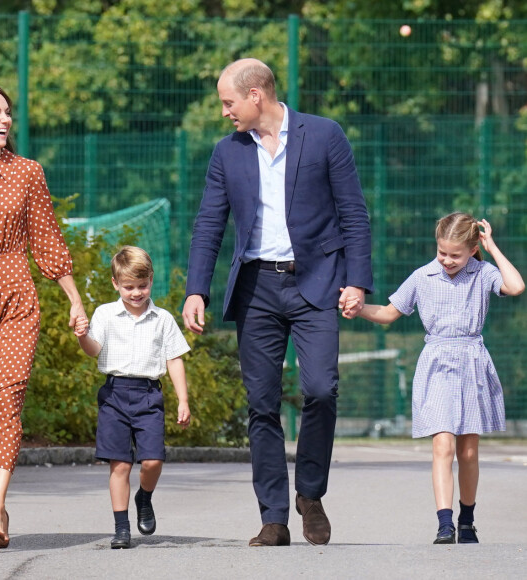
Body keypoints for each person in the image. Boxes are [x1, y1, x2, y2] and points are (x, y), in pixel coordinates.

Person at [182, 58, 373, 546]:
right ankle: (273, 516)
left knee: (322, 389)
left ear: (255, 96)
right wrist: (196, 289)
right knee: (262, 404)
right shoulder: (228, 153)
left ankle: (309, 492)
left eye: (228, 102)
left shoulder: (325, 135)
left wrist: (357, 281)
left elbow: (353, 212)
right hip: (256, 290)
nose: (225, 112)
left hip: (316, 284)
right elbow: (209, 222)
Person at [0, 84, 87, 549]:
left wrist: (74, 299)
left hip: (16, 298)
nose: (5, 120)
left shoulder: (27, 173)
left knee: (7, 397)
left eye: (8, 112)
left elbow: (46, 238)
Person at [346, 212, 524, 544]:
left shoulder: (483, 272)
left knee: (468, 451)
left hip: (472, 362)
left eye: (455, 254)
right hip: (437, 364)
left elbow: (515, 286)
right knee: (442, 444)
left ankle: (467, 520)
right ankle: (445, 523)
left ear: (472, 249)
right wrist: (359, 309)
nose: (446, 260)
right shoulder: (422, 276)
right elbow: (388, 312)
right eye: (442, 252)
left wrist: (493, 247)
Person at [75, 246, 191, 549]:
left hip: (148, 395)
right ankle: (121, 528)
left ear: (151, 280)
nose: (136, 292)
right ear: (116, 284)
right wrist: (81, 336)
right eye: (129, 287)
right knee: (120, 464)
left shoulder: (162, 319)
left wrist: (183, 400)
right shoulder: (105, 314)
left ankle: (145, 496)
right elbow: (94, 350)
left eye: (142, 285)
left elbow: (174, 359)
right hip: (114, 395)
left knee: (152, 460)